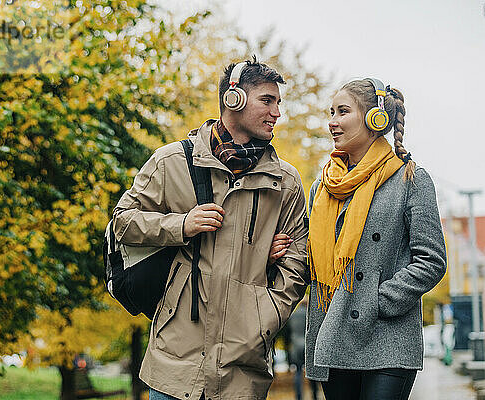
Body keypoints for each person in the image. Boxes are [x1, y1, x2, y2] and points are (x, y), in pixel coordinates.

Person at [112, 57, 309, 400]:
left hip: (243, 367)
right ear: (233, 99)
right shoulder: (169, 162)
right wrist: (181, 225)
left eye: (279, 103)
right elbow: (122, 223)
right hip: (175, 362)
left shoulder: (286, 182)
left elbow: (299, 260)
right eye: (267, 100)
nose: (277, 112)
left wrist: (267, 313)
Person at [270, 78, 446, 399]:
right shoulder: (323, 188)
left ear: (374, 118)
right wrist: (282, 253)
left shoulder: (410, 179)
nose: (332, 122)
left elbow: (431, 261)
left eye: (342, 112)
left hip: (388, 335)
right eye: (331, 112)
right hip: (335, 332)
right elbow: (317, 262)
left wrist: (378, 301)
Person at [285, 297, 318, 400]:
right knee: (312, 373)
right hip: (308, 347)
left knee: (298, 372)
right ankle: (314, 395)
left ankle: (298, 396)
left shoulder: (292, 316)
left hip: (295, 347)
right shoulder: (310, 315)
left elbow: (288, 334)